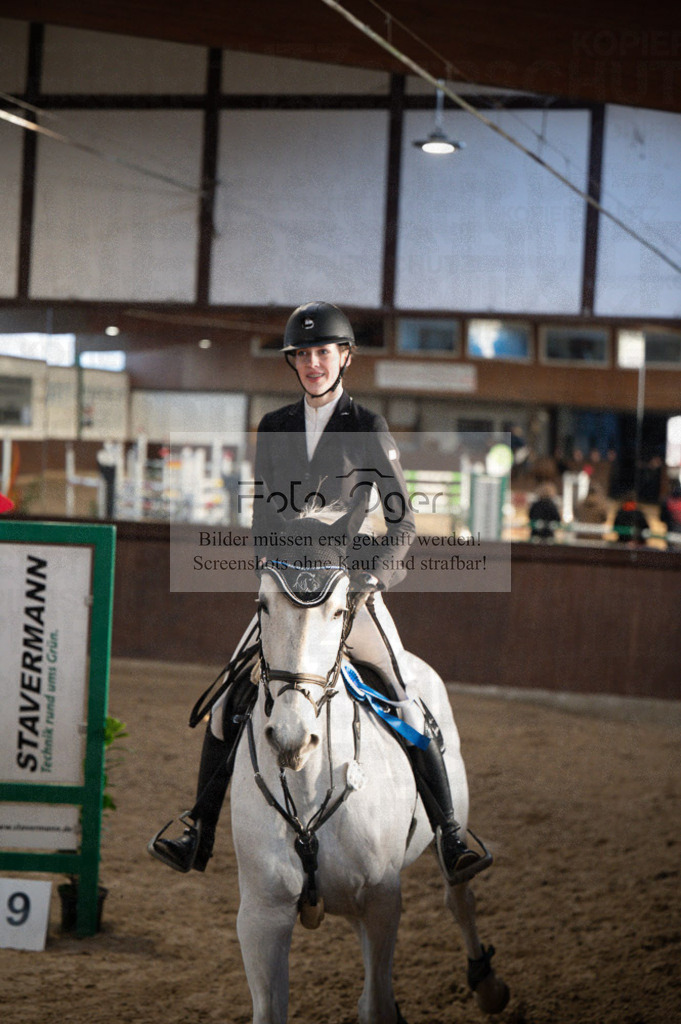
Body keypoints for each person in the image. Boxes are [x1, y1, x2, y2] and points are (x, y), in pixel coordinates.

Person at [149, 301, 485, 885]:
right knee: (229, 696)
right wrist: (269, 577)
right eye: (302, 355)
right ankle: (198, 827)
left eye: (322, 352)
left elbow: (403, 525)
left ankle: (450, 832)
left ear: (344, 357)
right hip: (285, 592)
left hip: (347, 594)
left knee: (405, 696)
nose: (312, 363)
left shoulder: (367, 427)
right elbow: (260, 521)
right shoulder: (274, 427)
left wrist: (365, 581)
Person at [660, 481, 681, 550]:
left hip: (671, 530)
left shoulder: (666, 501)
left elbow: (662, 518)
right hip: (671, 530)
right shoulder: (666, 501)